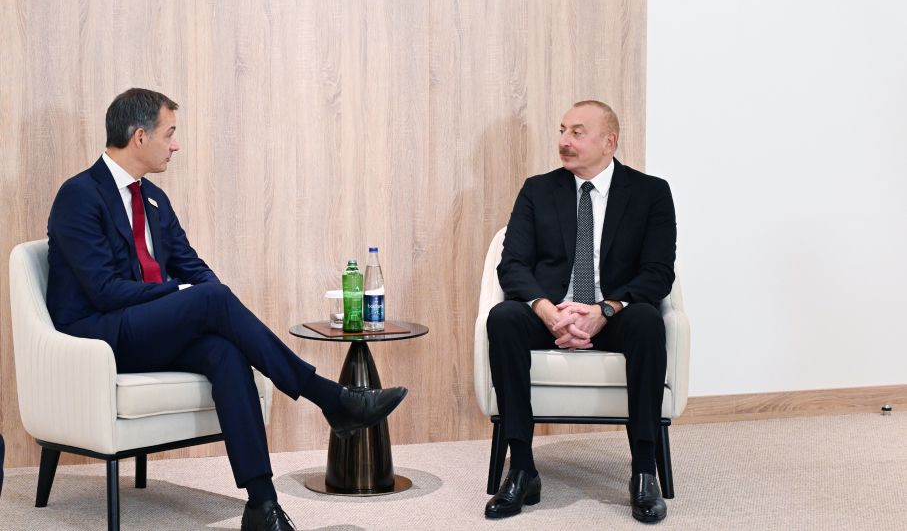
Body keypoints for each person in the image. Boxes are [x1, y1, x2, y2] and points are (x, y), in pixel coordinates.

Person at [46, 88, 407, 531]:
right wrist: (186, 296)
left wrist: (204, 302)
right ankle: (330, 398)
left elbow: (192, 266)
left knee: (226, 351)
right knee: (211, 299)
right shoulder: (80, 195)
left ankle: (262, 505)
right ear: (140, 137)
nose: (175, 145)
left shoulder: (153, 199)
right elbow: (103, 291)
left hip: (147, 330)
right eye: (169, 134)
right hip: (98, 337)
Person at [484, 100, 676, 524]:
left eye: (576, 132)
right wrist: (547, 311)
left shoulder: (650, 193)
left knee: (648, 322)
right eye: (562, 131)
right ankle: (522, 469)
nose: (564, 141)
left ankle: (644, 471)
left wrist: (604, 309)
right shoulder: (537, 190)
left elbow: (658, 272)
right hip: (552, 311)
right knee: (504, 319)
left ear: (609, 142)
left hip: (614, 312)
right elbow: (512, 264)